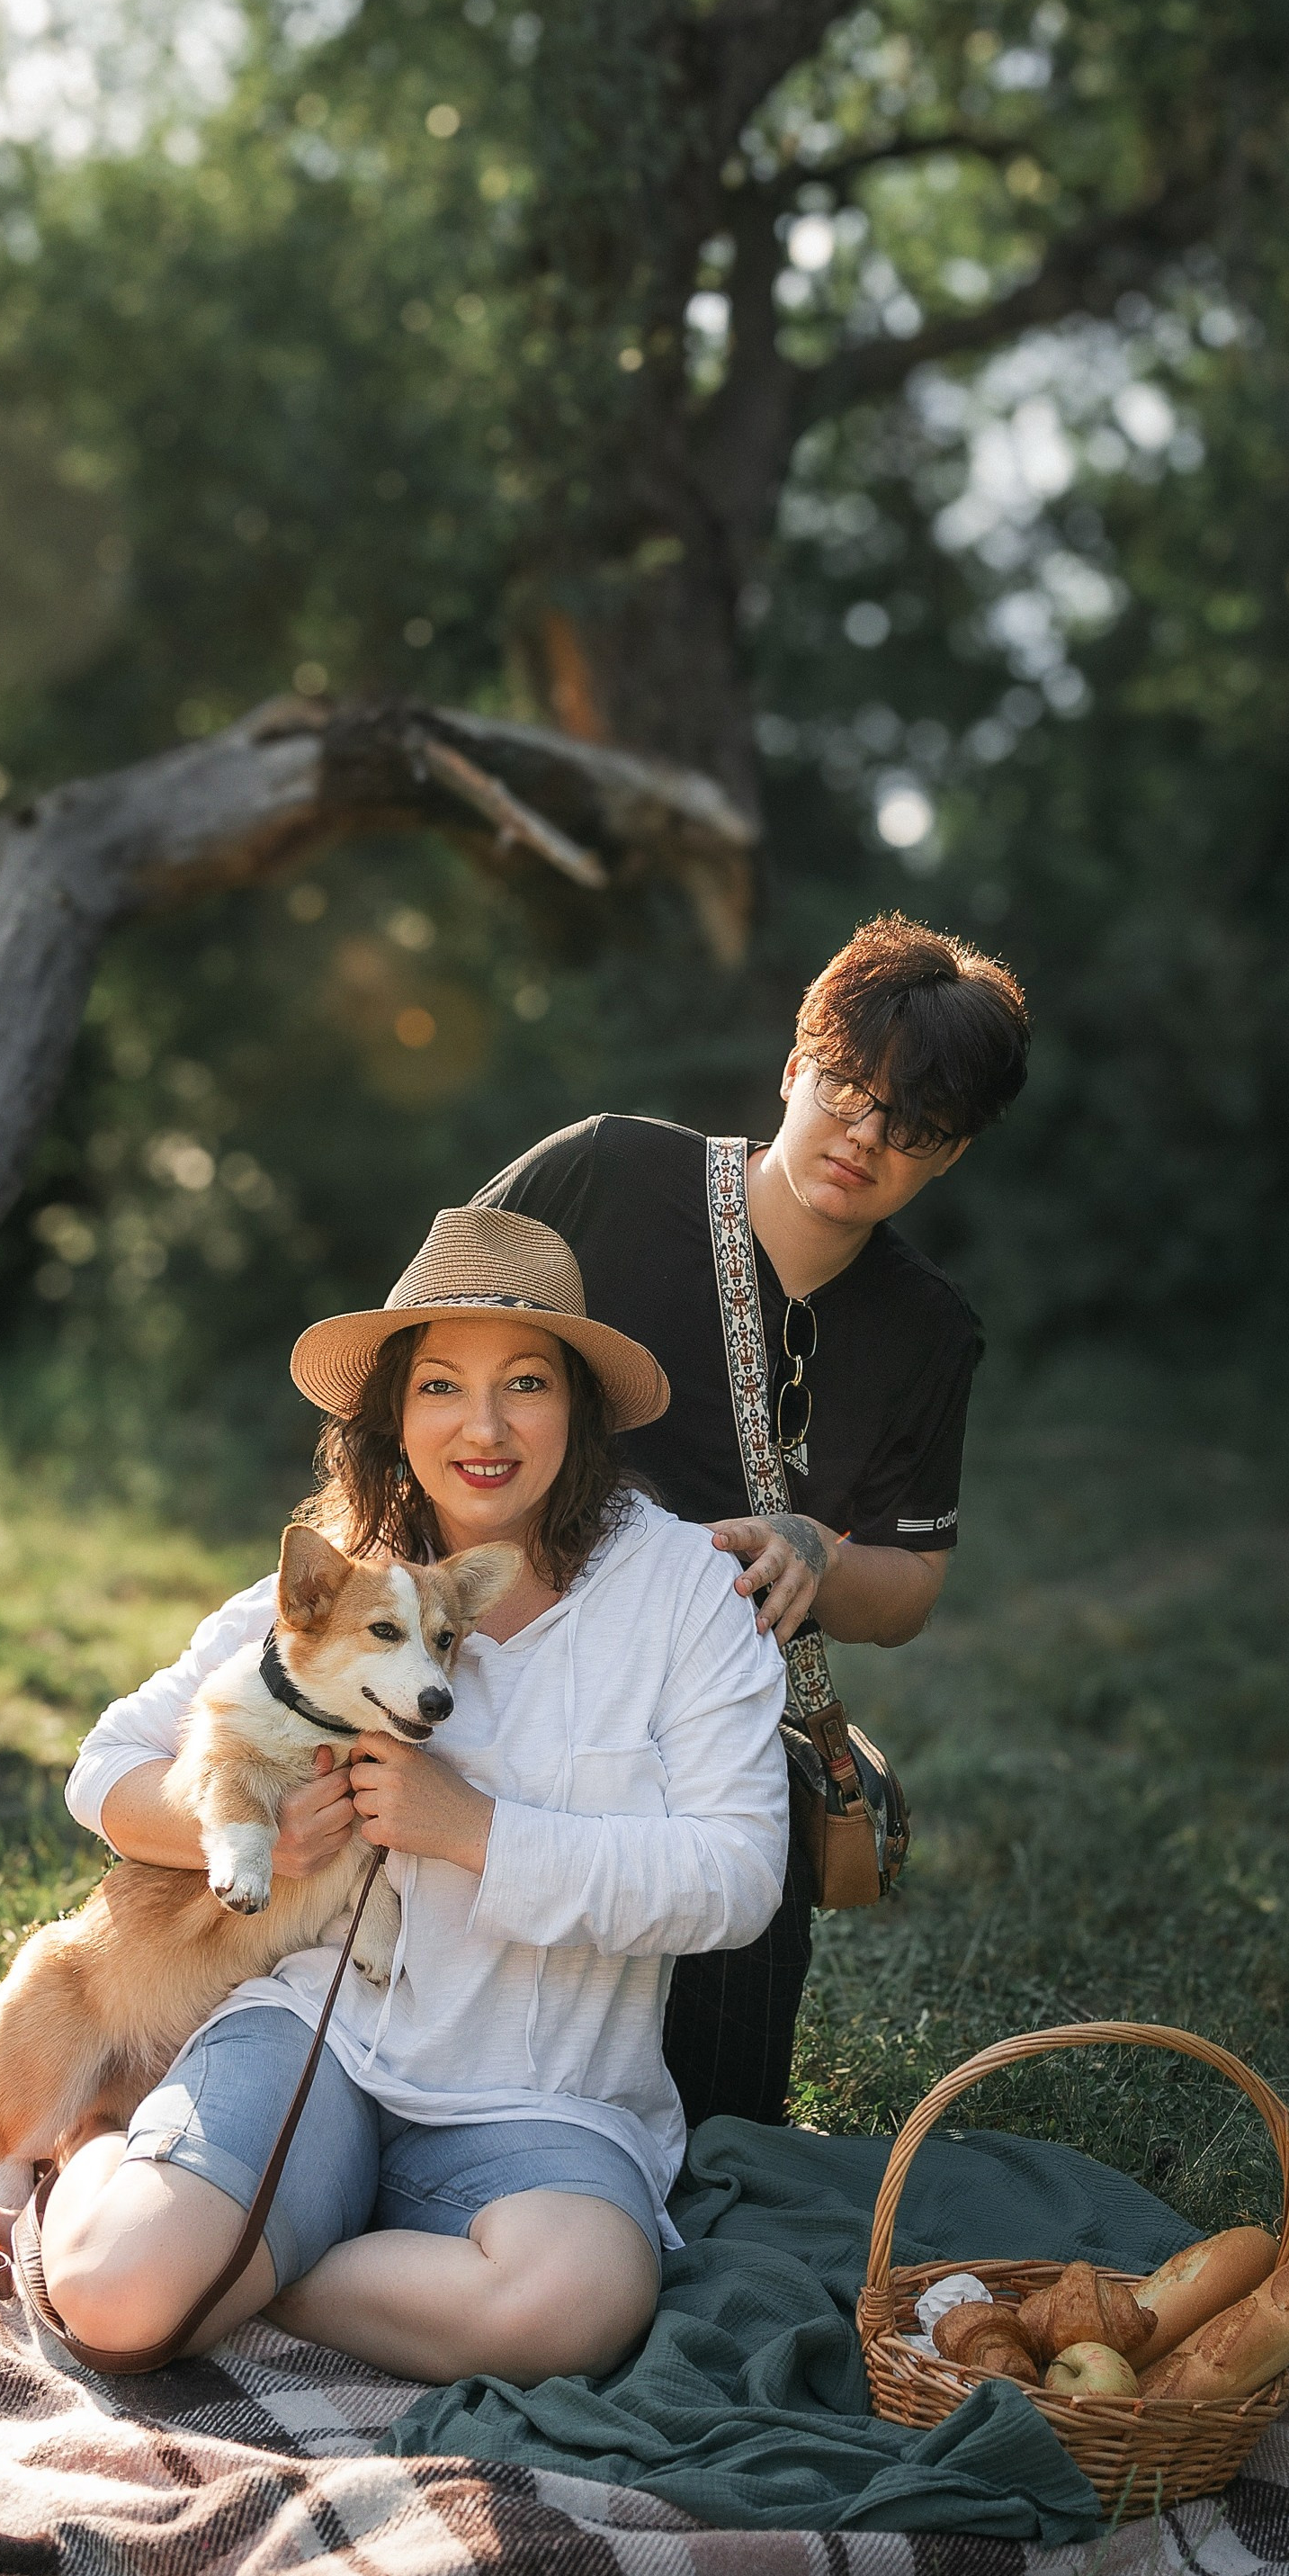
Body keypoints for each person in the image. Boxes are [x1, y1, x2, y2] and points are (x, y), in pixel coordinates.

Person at [27, 1208, 789, 2381]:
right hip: (313, 2044)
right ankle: (94, 2159)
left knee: (572, 2304)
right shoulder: (344, 1575)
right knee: (117, 2299)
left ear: (577, 1405)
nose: (482, 1428)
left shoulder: (683, 1595)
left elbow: (738, 1878)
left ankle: (261, 2262)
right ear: (394, 1414)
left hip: (547, 2098)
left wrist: (477, 1830)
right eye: (441, 1387)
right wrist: (255, 1834)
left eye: (525, 1383)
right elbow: (105, 1770)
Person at [472, 912, 1029, 2131]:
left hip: (715, 1730)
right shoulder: (609, 1172)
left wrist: (822, 1557)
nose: (864, 1137)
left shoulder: (929, 1332)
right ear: (795, 1066)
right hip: (492, 1663)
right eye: (848, 1090)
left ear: (954, 1153)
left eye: (914, 1127)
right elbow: (417, 1361)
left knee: (720, 2127)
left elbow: (910, 1590)